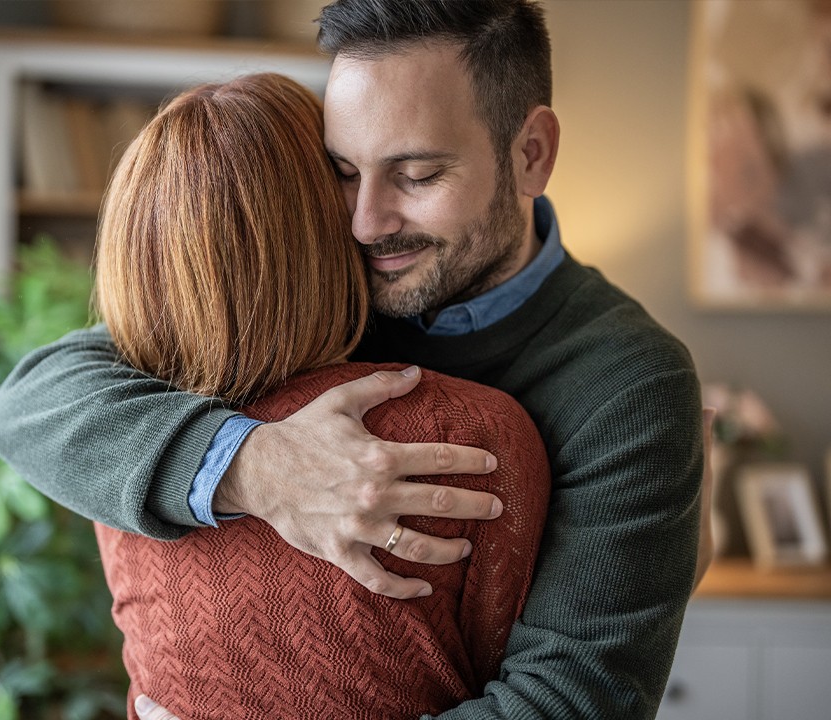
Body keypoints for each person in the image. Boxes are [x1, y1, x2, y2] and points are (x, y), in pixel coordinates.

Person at [0, 1, 709, 717]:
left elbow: (570, 703)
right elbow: (32, 402)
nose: (366, 223)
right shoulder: (321, 290)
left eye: (418, 175)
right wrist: (257, 467)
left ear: (531, 154)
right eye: (343, 171)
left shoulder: (632, 385)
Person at [87, 71, 550, 719]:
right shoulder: (471, 433)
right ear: (321, 228)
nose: (370, 218)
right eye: (344, 175)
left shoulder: (117, 449)